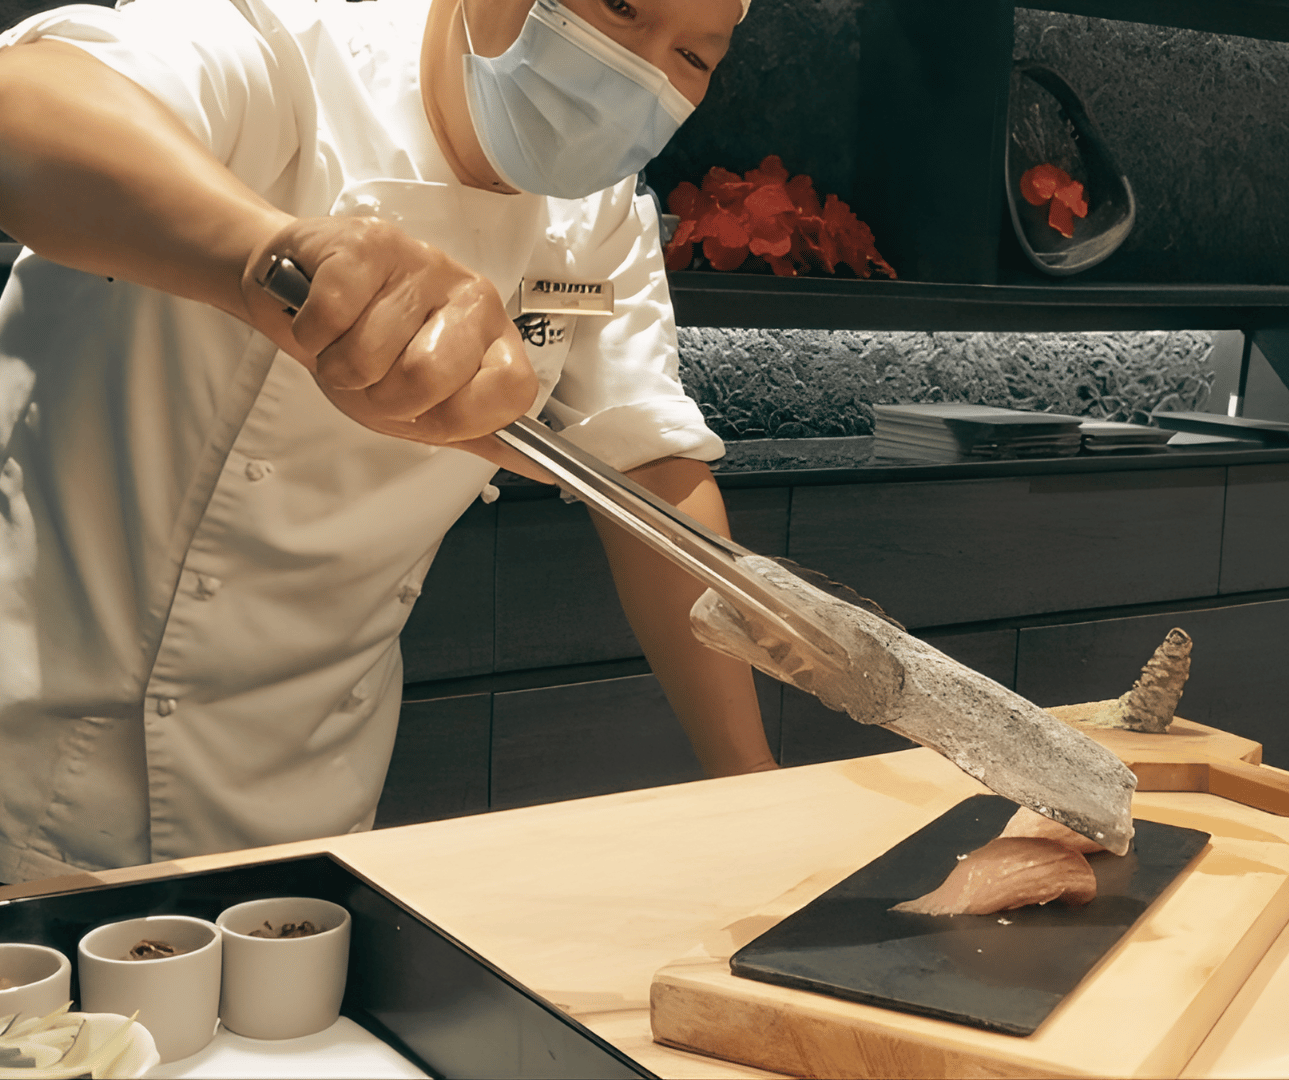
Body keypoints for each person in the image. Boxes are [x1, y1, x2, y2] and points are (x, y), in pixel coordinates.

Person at [0, 0, 773, 884]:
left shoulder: (600, 217)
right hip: (38, 756)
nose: (639, 68)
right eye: (622, 5)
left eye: (694, 56)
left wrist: (749, 782)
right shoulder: (286, 51)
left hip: (308, 780)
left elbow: (648, 472)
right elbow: (25, 102)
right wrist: (266, 258)